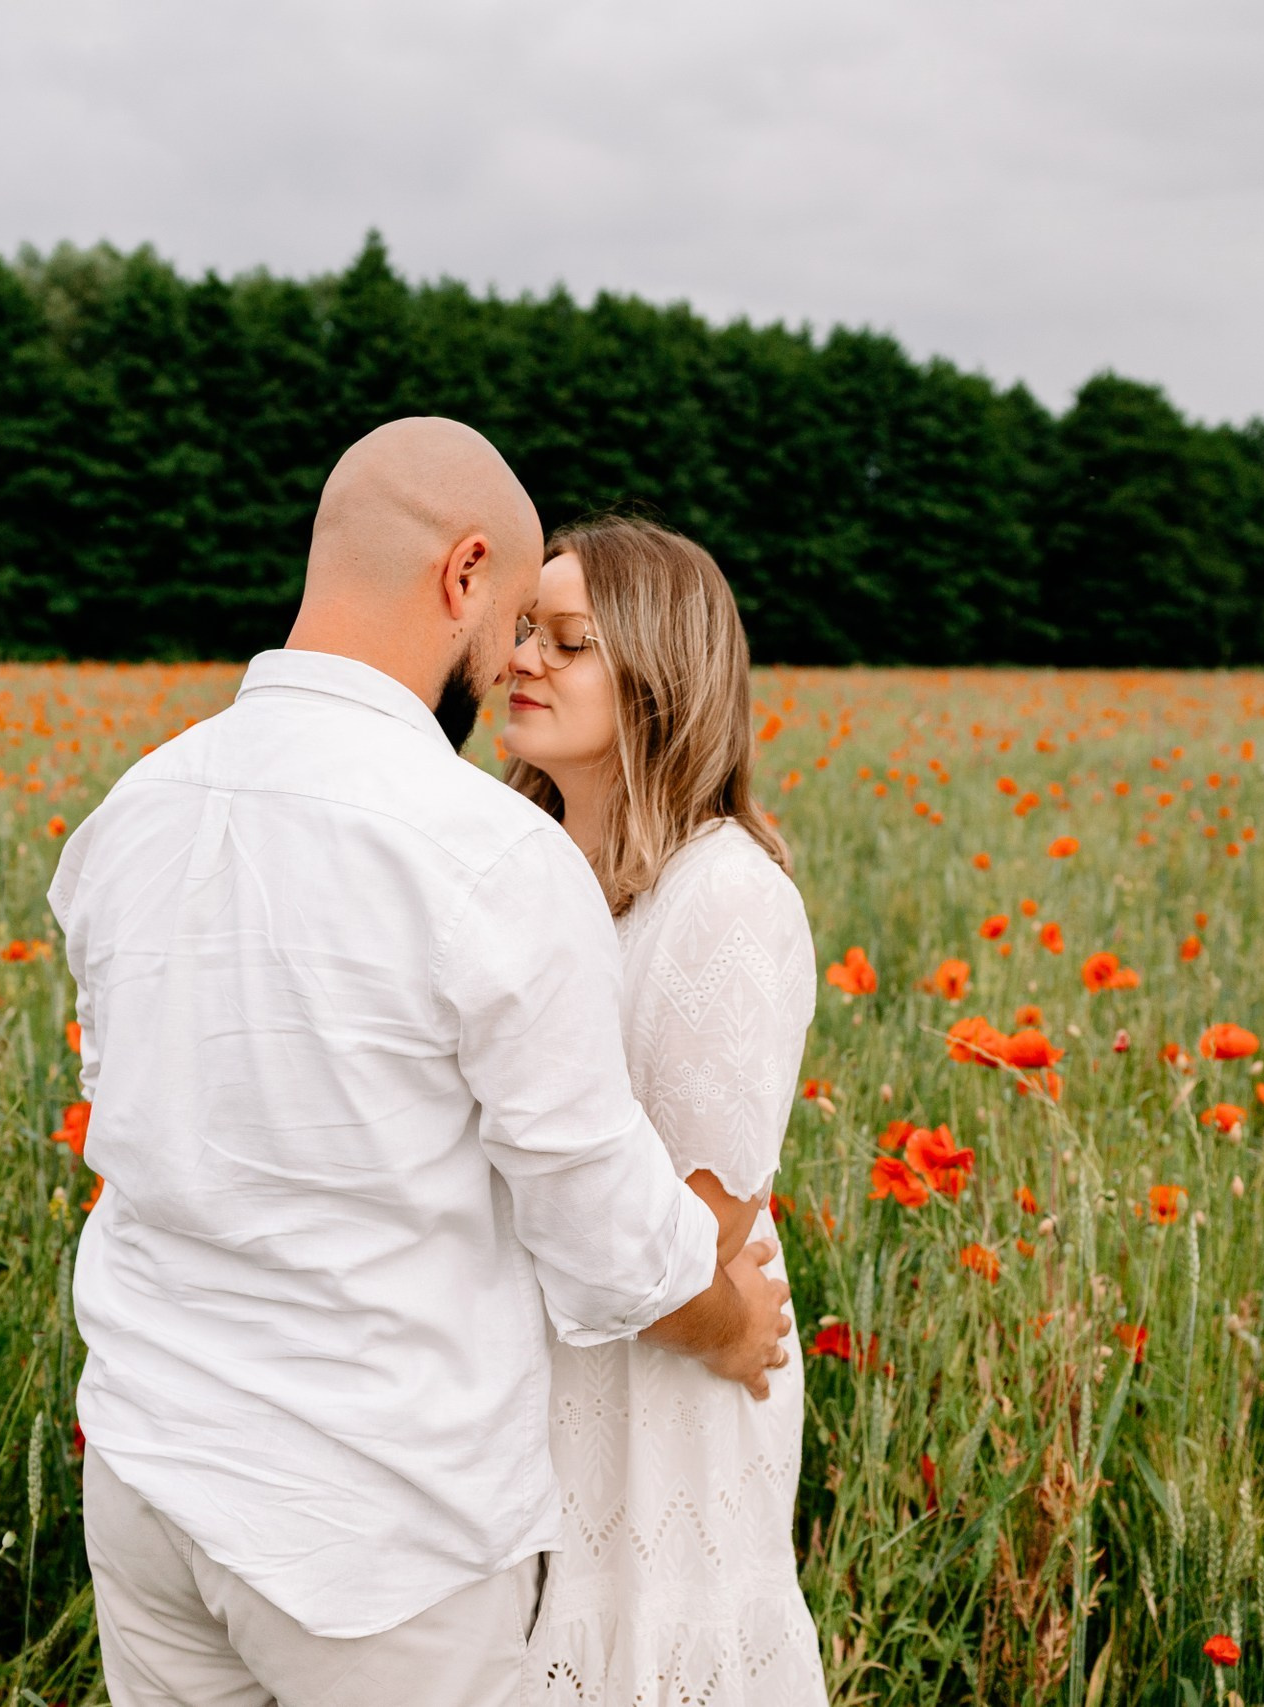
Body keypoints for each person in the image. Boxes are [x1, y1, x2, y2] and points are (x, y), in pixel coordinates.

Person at [46, 418, 792, 1707]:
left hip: (150, 1471)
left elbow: (141, 1120)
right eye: (514, 619)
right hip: (375, 1535)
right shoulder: (485, 854)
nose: (513, 660)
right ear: (461, 576)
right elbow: (604, 1229)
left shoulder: (133, 811)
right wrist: (728, 1315)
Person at [503, 517, 828, 1706]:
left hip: (663, 1386)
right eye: (523, 631)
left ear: (660, 674)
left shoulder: (725, 902)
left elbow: (698, 1236)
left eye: (568, 641)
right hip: (525, 1367)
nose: (522, 658)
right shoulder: (521, 871)